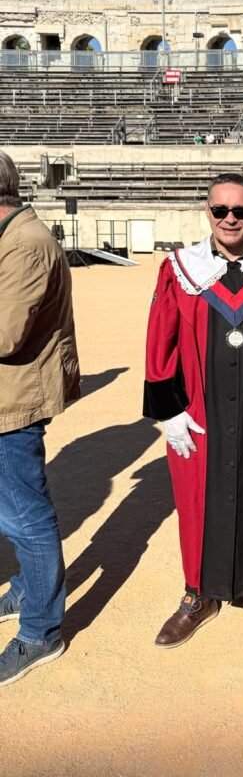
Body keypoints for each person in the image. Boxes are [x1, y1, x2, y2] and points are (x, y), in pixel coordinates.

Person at [143, 172, 243, 648]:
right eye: (221, 210)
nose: (230, 218)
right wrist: (168, 411)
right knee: (198, 499)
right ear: (207, 213)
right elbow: (160, 341)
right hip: (199, 411)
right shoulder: (180, 269)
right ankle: (197, 593)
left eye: (240, 210)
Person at [0, 150, 80, 686]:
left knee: (26, 514)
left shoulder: (24, 244)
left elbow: (3, 335)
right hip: (9, 393)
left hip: (13, 398)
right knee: (13, 507)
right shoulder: (14, 237)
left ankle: (42, 631)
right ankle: (31, 590)